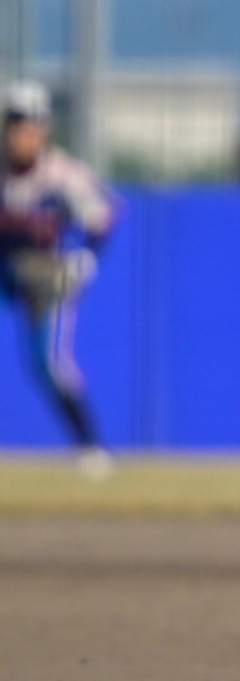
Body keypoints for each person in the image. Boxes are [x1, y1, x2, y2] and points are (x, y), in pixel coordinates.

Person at [0, 81, 117, 478]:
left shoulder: (62, 174)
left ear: (44, 130)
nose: (24, 135)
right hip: (4, 265)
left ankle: (91, 447)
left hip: (44, 272)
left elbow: (104, 217)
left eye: (32, 126)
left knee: (47, 364)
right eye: (17, 125)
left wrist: (87, 258)